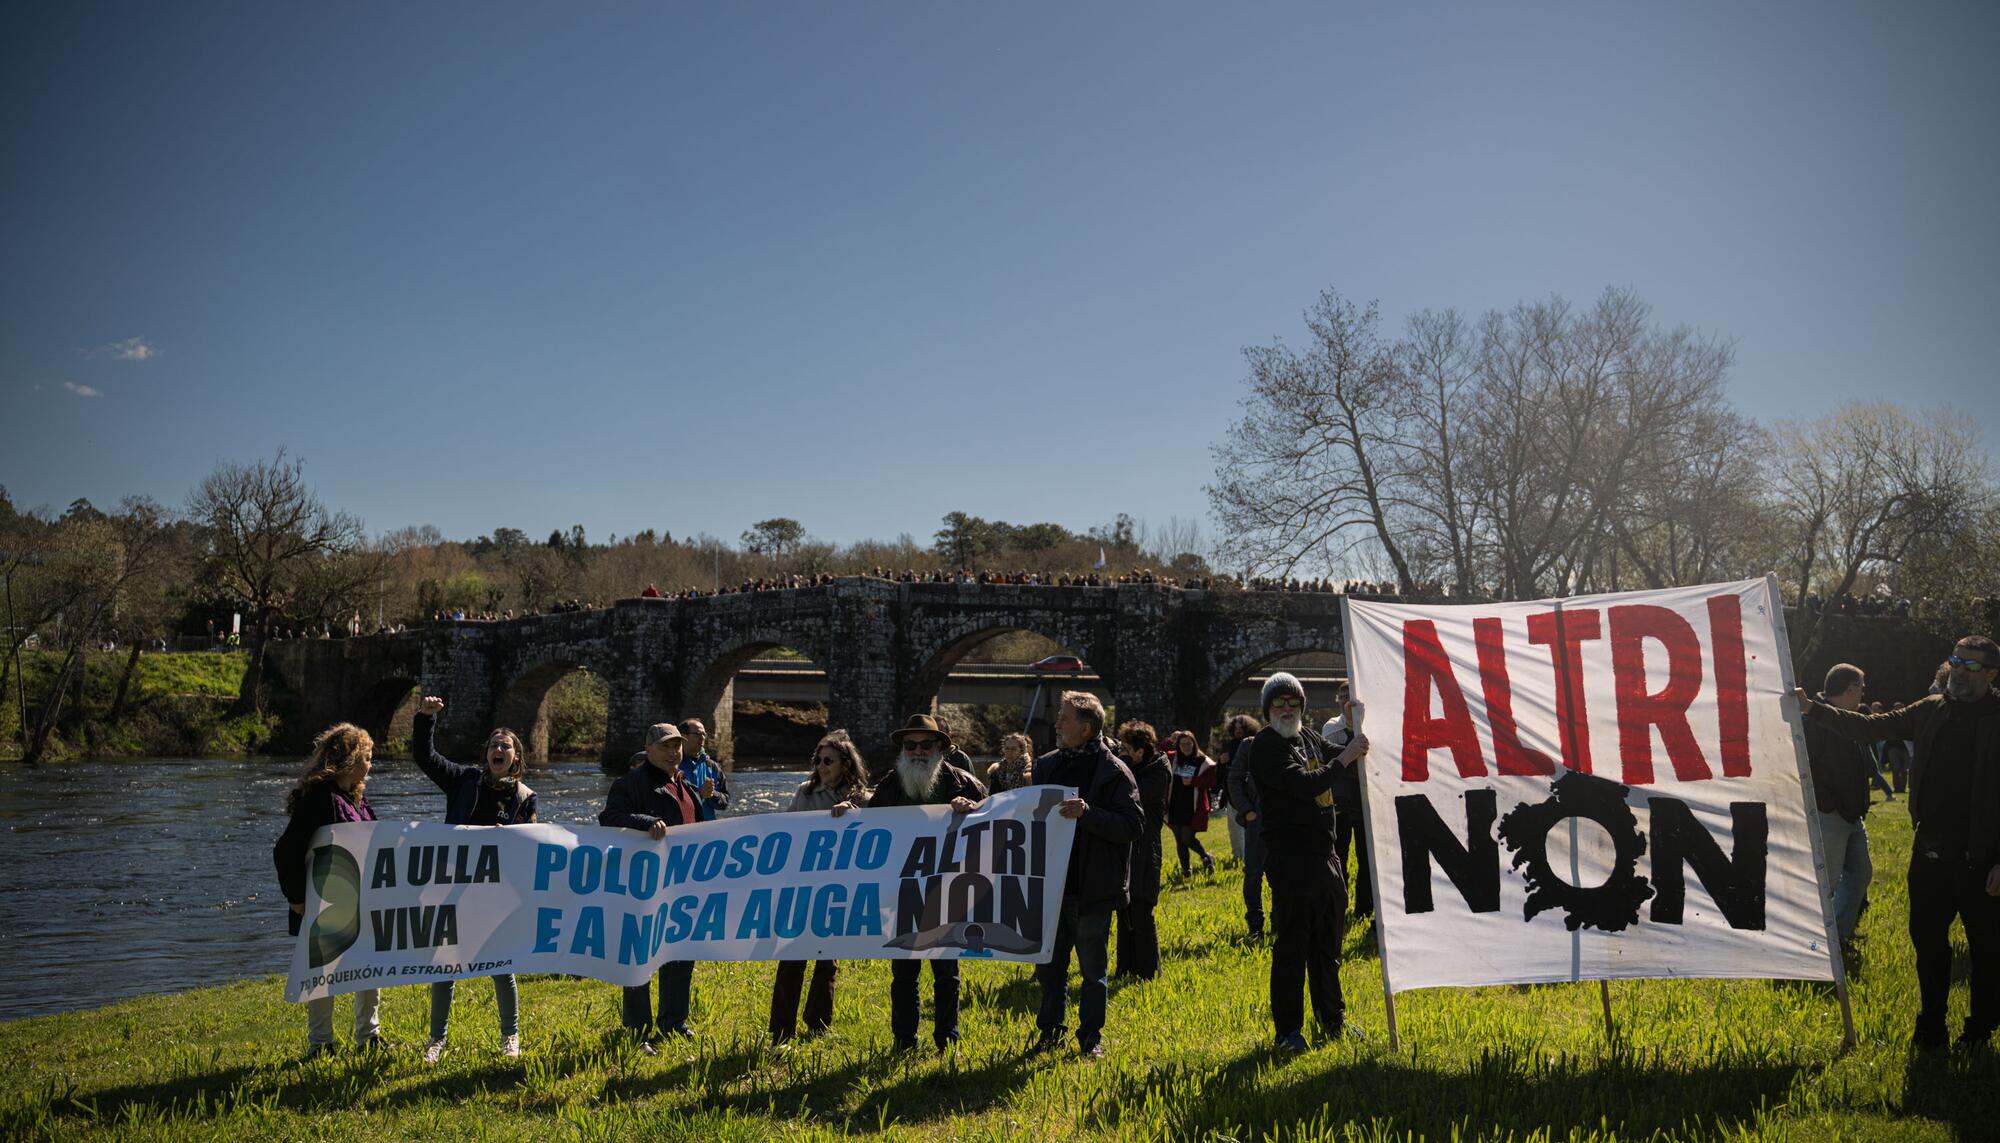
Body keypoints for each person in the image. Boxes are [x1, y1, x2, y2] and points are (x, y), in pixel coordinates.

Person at [1797, 635, 2000, 1051]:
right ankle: (1931, 1027)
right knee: (1927, 944)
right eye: (1956, 661)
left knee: (1987, 951)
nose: (1959, 670)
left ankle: (1979, 1031)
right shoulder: (1931, 710)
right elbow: (1869, 727)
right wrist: (1814, 710)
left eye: (1971, 666)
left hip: (1984, 857)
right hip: (1931, 851)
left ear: (1991, 674)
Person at [409, 697, 537, 1062]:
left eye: (505, 746)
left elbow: (532, 844)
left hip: (497, 894)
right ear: (487, 753)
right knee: (444, 964)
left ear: (516, 756)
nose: (498, 749)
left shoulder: (525, 798)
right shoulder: (463, 779)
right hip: (454, 884)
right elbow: (425, 757)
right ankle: (436, 1040)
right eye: (494, 745)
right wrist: (425, 719)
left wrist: (509, 833)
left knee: (501, 967)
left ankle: (510, 1037)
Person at [1251, 672, 1368, 1051]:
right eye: (1279, 703)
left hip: (1326, 855)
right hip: (1291, 859)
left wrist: (1354, 728)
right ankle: (1288, 1032)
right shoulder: (1266, 745)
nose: (1287, 709)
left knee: (1328, 946)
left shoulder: (1309, 737)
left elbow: (1340, 754)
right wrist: (1345, 760)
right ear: (1268, 709)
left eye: (1293, 703)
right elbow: (1305, 785)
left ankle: (1332, 1021)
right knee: (1293, 947)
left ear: (1302, 706)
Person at [1030, 692, 1143, 1058]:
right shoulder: (1045, 766)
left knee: (1092, 971)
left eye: (1064, 718)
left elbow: (1133, 825)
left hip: (1091, 888)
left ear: (1086, 727)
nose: (1057, 724)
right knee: (1050, 969)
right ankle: (1049, 1034)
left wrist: (1088, 814)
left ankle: (1090, 1040)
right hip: (1051, 887)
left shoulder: (1113, 772)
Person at [865, 714, 985, 1051]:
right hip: (902, 891)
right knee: (904, 974)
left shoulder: (963, 783)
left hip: (948, 890)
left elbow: (994, 821)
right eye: (910, 745)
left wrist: (972, 809)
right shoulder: (891, 783)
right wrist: (849, 810)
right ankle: (904, 1041)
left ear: (940, 748)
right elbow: (867, 826)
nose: (917, 751)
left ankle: (948, 1038)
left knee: (946, 972)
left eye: (925, 745)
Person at [273, 723, 385, 1060]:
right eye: (367, 757)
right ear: (351, 759)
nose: (370, 765)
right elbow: (287, 850)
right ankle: (320, 1044)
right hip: (324, 902)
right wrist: (296, 899)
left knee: (371, 964)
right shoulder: (319, 798)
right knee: (323, 972)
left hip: (360, 900)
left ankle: (369, 1036)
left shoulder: (355, 798)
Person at [600, 722, 704, 1053]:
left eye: (678, 746)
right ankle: (638, 1030)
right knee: (640, 958)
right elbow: (609, 818)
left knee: (680, 953)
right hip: (643, 886)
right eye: (666, 746)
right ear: (649, 749)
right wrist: (645, 823)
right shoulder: (630, 783)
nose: (674, 752)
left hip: (682, 884)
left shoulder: (685, 786)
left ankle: (674, 1022)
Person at [769, 731, 871, 1045]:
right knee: (792, 958)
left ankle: (818, 1024)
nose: (821, 766)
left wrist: (857, 819)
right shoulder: (805, 791)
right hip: (803, 887)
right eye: (818, 760)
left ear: (845, 763)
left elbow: (875, 842)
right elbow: (788, 830)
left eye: (828, 761)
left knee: (827, 961)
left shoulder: (863, 798)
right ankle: (781, 1030)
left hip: (839, 889)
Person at [1802, 665, 1875, 960]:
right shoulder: (1816, 721)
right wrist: (1827, 803)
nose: (1862, 693)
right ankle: (1812, 946)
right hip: (1829, 814)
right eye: (1861, 687)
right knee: (1826, 882)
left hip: (1852, 816)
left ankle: (1838, 936)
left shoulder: (1850, 719)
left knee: (1860, 874)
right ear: (1849, 689)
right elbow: (1805, 766)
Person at [1114, 720, 1169, 980]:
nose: (1123, 752)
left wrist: (1121, 767)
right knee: (1123, 909)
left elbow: (1131, 796)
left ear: (1141, 749)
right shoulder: (1135, 767)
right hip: (1127, 847)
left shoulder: (1157, 770)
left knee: (1142, 909)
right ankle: (1125, 968)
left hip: (1147, 848)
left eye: (1127, 748)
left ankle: (1148, 971)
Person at [1320, 684, 1374, 932]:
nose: (1346, 702)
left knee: (1366, 858)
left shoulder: (1371, 724)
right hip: (1341, 802)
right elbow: (1340, 758)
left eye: (1350, 697)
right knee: (1339, 856)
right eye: (1343, 697)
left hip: (1365, 801)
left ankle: (1364, 908)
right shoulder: (1332, 726)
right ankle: (1338, 903)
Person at [1224, 714, 1270, 938]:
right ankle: (1255, 925)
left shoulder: (1295, 740)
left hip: (1285, 821)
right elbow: (1234, 779)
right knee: (1253, 873)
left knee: (1283, 873)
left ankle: (1281, 923)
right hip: (1258, 820)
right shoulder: (1249, 745)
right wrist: (1248, 811)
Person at [1165, 729, 1217, 878]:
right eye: (1182, 744)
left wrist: (1194, 782)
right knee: (1179, 839)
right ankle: (1185, 870)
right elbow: (1158, 750)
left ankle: (1206, 857)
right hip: (1174, 805)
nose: (1186, 747)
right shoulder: (1173, 758)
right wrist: (1170, 740)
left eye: (1188, 744)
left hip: (1193, 807)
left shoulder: (1203, 761)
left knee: (1187, 837)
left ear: (1194, 744)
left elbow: (1212, 781)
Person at [678, 718, 729, 820]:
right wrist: (699, 794)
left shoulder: (712, 767)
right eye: (697, 734)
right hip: (681, 831)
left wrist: (712, 794)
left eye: (704, 734)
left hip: (706, 831)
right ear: (683, 736)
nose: (702, 738)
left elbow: (724, 803)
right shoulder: (672, 765)